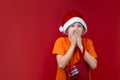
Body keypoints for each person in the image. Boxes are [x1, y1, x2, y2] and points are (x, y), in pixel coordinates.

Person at [52, 10, 97, 80]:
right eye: (72, 26)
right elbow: (61, 65)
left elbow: (94, 65)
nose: (76, 29)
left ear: (83, 29)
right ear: (67, 29)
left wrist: (81, 46)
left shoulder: (88, 42)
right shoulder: (60, 41)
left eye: (79, 26)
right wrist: (73, 45)